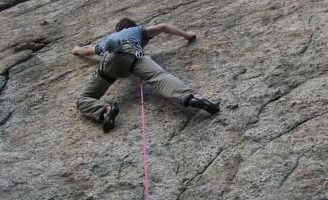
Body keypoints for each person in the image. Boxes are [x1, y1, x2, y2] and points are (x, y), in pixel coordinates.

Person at [72, 17, 220, 131]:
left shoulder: (109, 39)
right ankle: (192, 98)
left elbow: (84, 51)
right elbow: (163, 27)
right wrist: (187, 35)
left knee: (84, 98)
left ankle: (106, 111)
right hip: (134, 56)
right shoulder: (137, 30)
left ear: (117, 29)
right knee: (160, 77)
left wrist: (76, 49)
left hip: (109, 60)